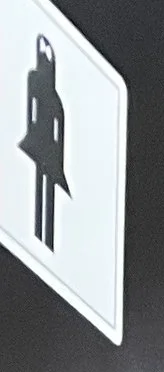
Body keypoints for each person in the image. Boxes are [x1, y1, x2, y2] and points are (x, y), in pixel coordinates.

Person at [22, 35, 67, 250]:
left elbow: (59, 128)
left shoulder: (56, 99)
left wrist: (57, 159)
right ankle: (40, 237)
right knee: (39, 188)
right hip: (40, 142)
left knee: (48, 194)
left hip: (48, 149)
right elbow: (31, 110)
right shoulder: (34, 80)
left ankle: (45, 240)